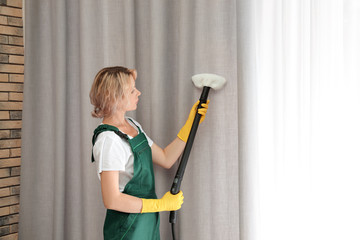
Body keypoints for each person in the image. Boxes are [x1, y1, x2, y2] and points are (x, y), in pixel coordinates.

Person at [89, 66, 209, 239]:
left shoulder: (133, 125)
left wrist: (190, 124)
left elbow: (167, 158)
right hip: (127, 228)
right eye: (132, 91)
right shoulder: (109, 140)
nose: (139, 92)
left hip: (147, 222)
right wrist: (161, 205)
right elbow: (112, 199)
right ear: (114, 97)